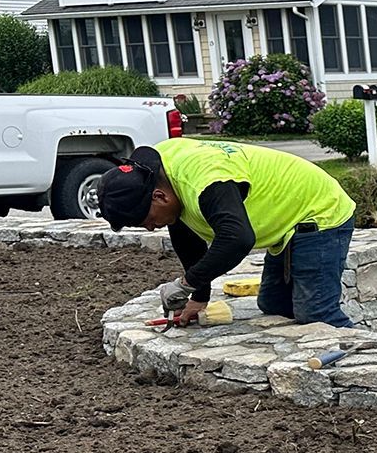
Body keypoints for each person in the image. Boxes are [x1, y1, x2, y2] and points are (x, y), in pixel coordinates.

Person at [97, 139, 358, 327]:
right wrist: (199, 297)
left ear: (159, 196)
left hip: (319, 212)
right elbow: (186, 237)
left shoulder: (207, 180)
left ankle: (367, 349)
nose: (151, 228)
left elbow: (237, 239)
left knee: (316, 314)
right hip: (288, 216)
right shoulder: (160, 174)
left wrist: (185, 284)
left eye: (147, 221)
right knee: (273, 305)